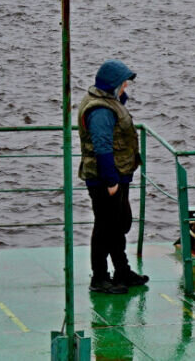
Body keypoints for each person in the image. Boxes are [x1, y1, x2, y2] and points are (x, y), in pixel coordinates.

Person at [78, 59, 148, 294]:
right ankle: (99, 277)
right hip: (106, 179)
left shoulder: (109, 102)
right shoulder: (100, 111)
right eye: (123, 84)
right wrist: (110, 181)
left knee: (119, 224)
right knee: (105, 228)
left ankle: (122, 270)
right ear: (113, 85)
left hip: (119, 175)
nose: (126, 88)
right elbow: (102, 147)